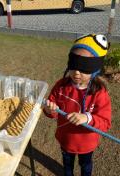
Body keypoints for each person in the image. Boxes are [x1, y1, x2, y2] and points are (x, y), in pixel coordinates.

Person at [43, 34, 112, 176]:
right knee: (67, 166)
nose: (77, 73)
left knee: (85, 166)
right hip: (65, 140)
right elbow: (52, 111)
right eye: (73, 66)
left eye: (84, 68)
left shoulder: (99, 93)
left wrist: (87, 118)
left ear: (95, 69)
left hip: (86, 145)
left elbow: (105, 123)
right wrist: (49, 109)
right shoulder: (61, 86)